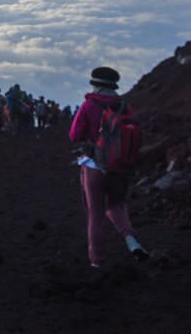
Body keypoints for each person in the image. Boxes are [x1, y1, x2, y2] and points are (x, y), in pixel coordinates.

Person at [69, 67, 148, 267]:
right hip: (120, 166)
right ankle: (132, 242)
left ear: (95, 84)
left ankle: (96, 260)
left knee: (95, 214)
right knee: (116, 206)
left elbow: (74, 136)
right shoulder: (124, 105)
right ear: (113, 85)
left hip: (94, 165)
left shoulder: (88, 105)